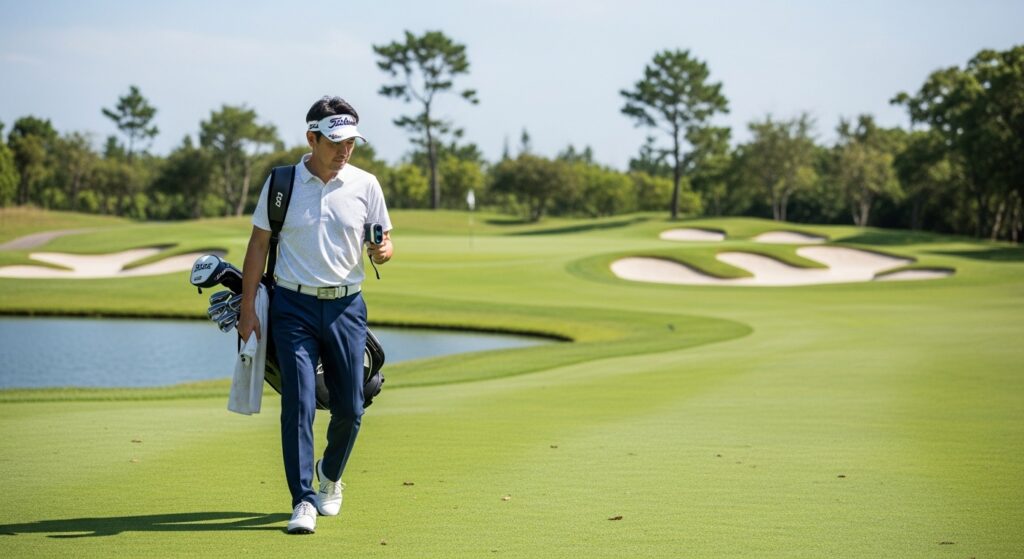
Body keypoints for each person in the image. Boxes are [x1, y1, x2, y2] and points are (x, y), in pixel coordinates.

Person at [238, 96, 393, 535]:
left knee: (351, 406)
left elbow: (383, 243)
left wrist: (383, 249)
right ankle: (303, 500)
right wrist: (248, 308)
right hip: (294, 308)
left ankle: (330, 476)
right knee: (299, 403)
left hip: (346, 307)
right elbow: (257, 246)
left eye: (351, 142)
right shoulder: (282, 182)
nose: (345, 150)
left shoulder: (366, 185)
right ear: (312, 138)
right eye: (336, 141)